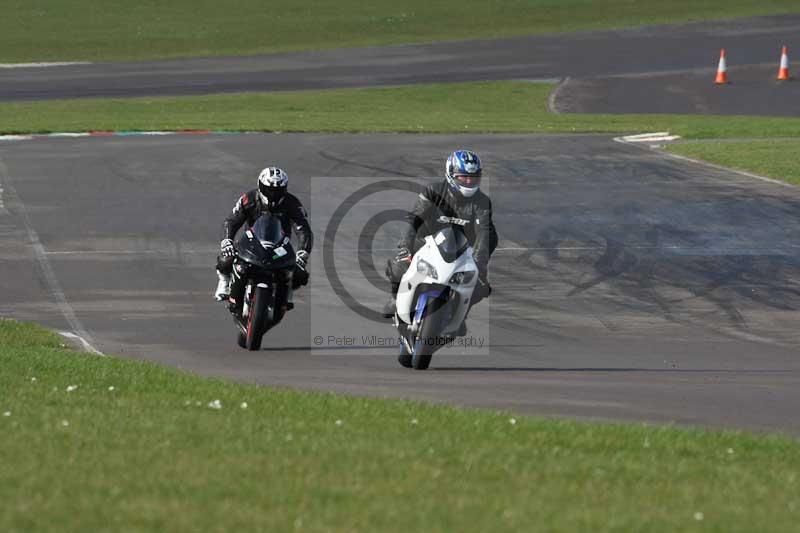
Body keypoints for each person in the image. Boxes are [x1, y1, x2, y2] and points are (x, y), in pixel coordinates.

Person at [383, 149, 497, 318]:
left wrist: (480, 261)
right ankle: (395, 298)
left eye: (473, 177)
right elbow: (414, 218)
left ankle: (460, 314)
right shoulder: (434, 191)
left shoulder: (482, 202)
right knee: (398, 266)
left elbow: (484, 232)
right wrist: (406, 245)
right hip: (426, 241)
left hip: (463, 249)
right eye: (463, 177)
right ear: (450, 174)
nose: (468, 181)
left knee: (480, 287)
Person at [215, 166, 313, 302]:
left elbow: (303, 229)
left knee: (300, 274)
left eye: (277, 191)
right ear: (260, 186)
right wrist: (227, 240)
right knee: (227, 257)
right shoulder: (249, 199)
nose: (273, 194)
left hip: (280, 248)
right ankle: (224, 282)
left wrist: (303, 252)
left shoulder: (292, 203)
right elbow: (231, 221)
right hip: (251, 243)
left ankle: (286, 293)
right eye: (269, 190)